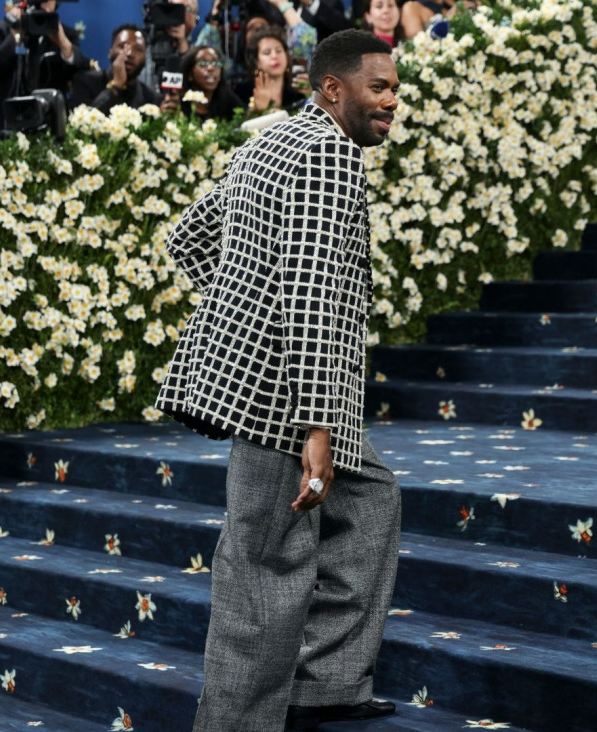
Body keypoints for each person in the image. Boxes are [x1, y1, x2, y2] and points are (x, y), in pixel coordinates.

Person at [154, 29, 401, 730]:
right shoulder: (328, 156)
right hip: (287, 396)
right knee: (264, 564)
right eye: (377, 88)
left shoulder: (269, 139)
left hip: (268, 372)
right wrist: (316, 429)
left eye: (393, 90)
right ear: (332, 89)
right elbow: (317, 299)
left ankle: (327, 681)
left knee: (372, 500)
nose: (390, 102)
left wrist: (245, 313)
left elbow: (192, 236)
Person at [0, 0, 89, 130]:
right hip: (4, 122)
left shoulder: (67, 35)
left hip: (50, 125)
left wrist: (63, 44)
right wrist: (15, 36)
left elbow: (83, 75)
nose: (40, 5)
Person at [69, 25, 163, 114]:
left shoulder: (151, 99)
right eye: (123, 47)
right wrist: (116, 84)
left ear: (145, 59)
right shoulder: (85, 82)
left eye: (138, 49)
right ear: (110, 52)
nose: (129, 54)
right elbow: (84, 125)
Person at [233, 25, 308, 115]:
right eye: (267, 53)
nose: (274, 56)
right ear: (257, 61)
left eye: (279, 51)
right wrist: (256, 111)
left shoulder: (298, 94)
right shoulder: (242, 91)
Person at [172, 45, 245, 120]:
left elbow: (245, 118)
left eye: (216, 63)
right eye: (203, 64)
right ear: (190, 74)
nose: (211, 68)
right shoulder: (179, 103)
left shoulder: (227, 99)